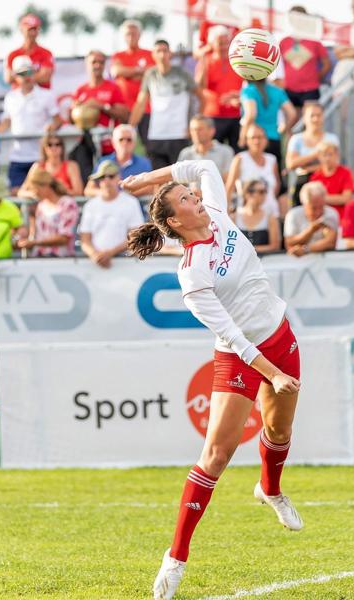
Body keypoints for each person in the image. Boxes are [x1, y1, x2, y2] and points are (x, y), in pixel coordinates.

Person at [121, 160, 303, 600]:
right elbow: (233, 336)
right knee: (217, 455)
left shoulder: (218, 214)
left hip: (279, 334)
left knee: (279, 430)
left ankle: (270, 489)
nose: (195, 199)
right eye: (185, 199)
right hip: (242, 356)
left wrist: (149, 178)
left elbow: (203, 165)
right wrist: (273, 373)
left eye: (191, 194)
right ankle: (175, 558)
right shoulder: (192, 272)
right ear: (172, 222)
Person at [130, 40, 199, 170]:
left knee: (181, 179)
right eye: (158, 51)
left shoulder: (182, 73)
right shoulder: (150, 74)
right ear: (153, 55)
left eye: (165, 51)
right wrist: (130, 126)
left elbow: (201, 97)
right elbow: (140, 103)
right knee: (158, 181)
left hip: (179, 134)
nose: (162, 55)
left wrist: (193, 124)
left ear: (170, 54)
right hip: (156, 134)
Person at [0, 56, 61, 192]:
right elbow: (6, 122)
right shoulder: (10, 97)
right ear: (15, 77)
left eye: (29, 72)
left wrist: (52, 127)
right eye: (22, 73)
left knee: (41, 194)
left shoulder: (46, 95)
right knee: (16, 194)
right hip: (17, 157)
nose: (26, 77)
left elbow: (57, 120)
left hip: (40, 156)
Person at [79, 160, 144, 269]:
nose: (106, 180)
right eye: (103, 177)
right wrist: (95, 255)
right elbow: (85, 240)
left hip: (124, 261)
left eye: (111, 176)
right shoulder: (90, 205)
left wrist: (109, 253)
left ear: (118, 177)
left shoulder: (131, 202)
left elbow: (135, 236)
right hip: (96, 263)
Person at [73, 51, 130, 156]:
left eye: (101, 62)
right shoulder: (81, 90)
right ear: (87, 64)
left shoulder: (113, 88)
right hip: (86, 146)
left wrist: (102, 106)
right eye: (94, 62)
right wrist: (75, 110)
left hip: (109, 146)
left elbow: (125, 115)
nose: (97, 65)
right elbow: (72, 120)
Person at [195, 26, 244, 151]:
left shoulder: (237, 60)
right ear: (212, 44)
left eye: (226, 42)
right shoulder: (207, 61)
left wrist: (238, 96)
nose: (224, 46)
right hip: (214, 115)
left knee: (237, 151)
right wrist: (204, 61)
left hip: (235, 115)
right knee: (213, 152)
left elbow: (246, 85)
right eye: (220, 43)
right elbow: (199, 86)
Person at [16, 168, 80, 258]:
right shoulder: (41, 205)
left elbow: (65, 237)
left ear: (45, 186)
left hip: (61, 258)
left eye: (35, 189)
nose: (34, 193)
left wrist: (35, 243)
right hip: (40, 256)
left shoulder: (68, 204)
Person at [285, 102, 339, 207]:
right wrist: (316, 155)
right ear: (304, 118)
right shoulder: (296, 139)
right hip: (302, 182)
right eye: (312, 116)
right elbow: (290, 164)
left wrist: (307, 167)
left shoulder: (331, 139)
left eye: (318, 115)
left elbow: (335, 163)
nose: (315, 119)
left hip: (326, 182)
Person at [275, 7, 331, 107]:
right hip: (288, 89)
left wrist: (315, 77)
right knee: (292, 120)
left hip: (310, 90)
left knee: (309, 120)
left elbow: (326, 64)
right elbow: (277, 66)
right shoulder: (284, 42)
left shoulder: (314, 41)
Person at [111, 19, 155, 141]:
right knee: (123, 142)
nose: (131, 37)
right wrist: (140, 70)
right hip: (124, 110)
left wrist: (128, 72)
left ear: (139, 35)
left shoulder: (149, 54)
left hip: (146, 109)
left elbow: (153, 72)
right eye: (127, 34)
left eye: (134, 34)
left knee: (148, 144)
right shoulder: (118, 55)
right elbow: (117, 71)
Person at [225, 124, 281, 217]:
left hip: (271, 214)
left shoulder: (272, 159)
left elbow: (277, 184)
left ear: (266, 140)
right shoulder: (240, 159)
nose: (257, 141)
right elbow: (229, 187)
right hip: (246, 214)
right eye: (253, 138)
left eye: (260, 137)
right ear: (247, 141)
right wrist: (226, 211)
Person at [239, 77, 296, 165]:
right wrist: (284, 128)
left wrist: (242, 137)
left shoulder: (248, 90)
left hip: (254, 139)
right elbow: (292, 114)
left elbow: (251, 115)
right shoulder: (277, 91)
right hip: (274, 137)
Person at [85, 124, 152, 197]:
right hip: (107, 205)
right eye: (121, 139)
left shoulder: (144, 163)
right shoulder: (103, 162)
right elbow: (88, 190)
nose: (125, 143)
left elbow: (151, 188)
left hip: (133, 207)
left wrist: (121, 196)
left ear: (134, 143)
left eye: (129, 140)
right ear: (113, 143)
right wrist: (108, 194)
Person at [5, 13, 54, 89]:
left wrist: (20, 76)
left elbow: (45, 77)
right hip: (19, 95)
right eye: (30, 29)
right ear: (22, 29)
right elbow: (8, 78)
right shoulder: (13, 54)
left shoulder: (46, 53)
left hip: (41, 96)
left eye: (35, 29)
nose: (33, 33)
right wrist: (34, 75)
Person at [308, 140, 354, 217]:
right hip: (322, 217)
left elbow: (346, 198)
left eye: (330, 154)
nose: (327, 158)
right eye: (324, 155)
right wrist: (337, 199)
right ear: (319, 157)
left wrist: (322, 199)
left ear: (337, 155)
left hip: (341, 217)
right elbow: (312, 201)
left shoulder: (345, 173)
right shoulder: (315, 176)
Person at [235, 179, 281, 254]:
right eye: (261, 192)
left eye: (265, 191)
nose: (264, 195)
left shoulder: (270, 217)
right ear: (248, 194)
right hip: (240, 262)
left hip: (264, 261)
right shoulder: (235, 217)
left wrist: (250, 250)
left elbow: (275, 246)